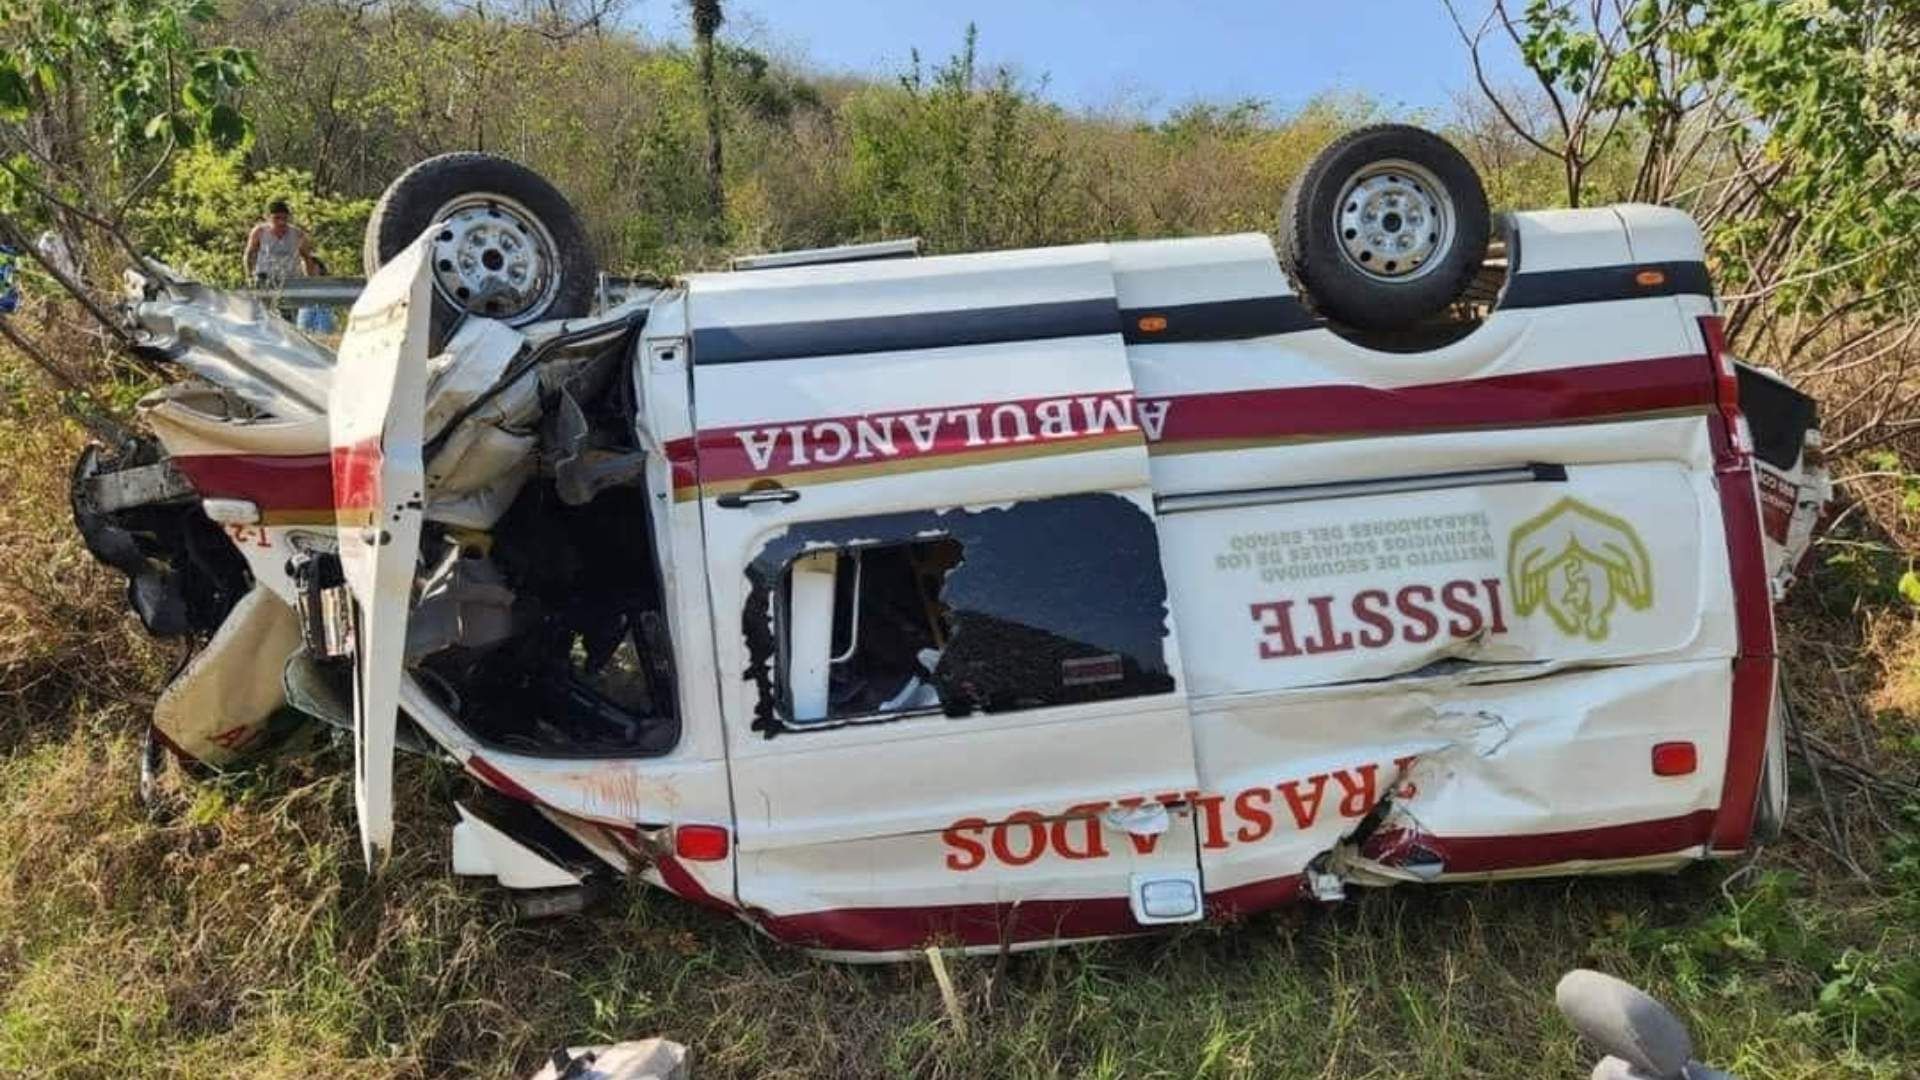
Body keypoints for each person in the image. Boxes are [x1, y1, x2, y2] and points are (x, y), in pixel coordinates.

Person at [243, 200, 320, 286]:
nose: (281, 222)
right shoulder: (259, 232)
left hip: (291, 277)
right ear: (268, 217)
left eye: (284, 218)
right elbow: (250, 254)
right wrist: (249, 276)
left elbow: (307, 258)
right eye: (277, 218)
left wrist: (310, 281)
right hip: (265, 277)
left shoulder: (297, 234)